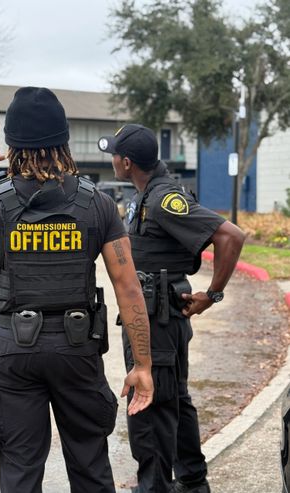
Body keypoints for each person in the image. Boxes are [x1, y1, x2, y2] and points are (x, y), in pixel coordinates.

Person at [0, 88, 154, 493]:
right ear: (63, 141)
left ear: (13, 144)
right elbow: (128, 287)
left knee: (21, 472)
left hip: (15, 353)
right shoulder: (96, 203)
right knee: (91, 467)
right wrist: (144, 366)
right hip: (77, 350)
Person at [98, 124, 245, 493]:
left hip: (157, 316)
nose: (113, 159)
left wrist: (212, 294)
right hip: (157, 312)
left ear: (126, 162)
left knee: (149, 406)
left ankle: (155, 489)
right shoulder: (146, 194)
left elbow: (231, 236)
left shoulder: (164, 198)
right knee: (174, 400)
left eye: (115, 154)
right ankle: (193, 483)